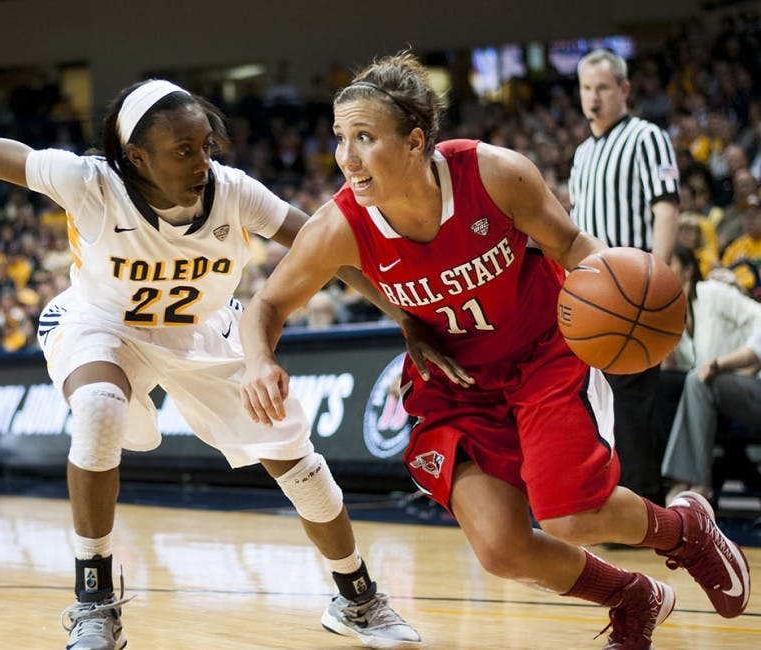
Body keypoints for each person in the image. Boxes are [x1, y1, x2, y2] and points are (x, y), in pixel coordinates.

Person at [0, 79, 420, 650]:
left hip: (203, 332)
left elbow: (330, 252)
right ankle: (94, 599)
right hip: (101, 323)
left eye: (205, 146)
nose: (203, 162)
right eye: (183, 152)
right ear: (136, 158)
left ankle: (357, 596)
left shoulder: (233, 191)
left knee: (299, 465)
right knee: (97, 408)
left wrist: (411, 319)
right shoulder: (87, 182)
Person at [237, 52, 751, 650]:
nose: (345, 158)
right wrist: (260, 360)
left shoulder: (495, 174)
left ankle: (687, 530)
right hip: (456, 382)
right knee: (502, 550)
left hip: (542, 355)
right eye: (339, 138)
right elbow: (265, 308)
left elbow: (575, 248)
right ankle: (631, 596)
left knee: (569, 515)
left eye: (363, 138)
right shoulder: (340, 227)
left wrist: (626, 313)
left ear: (415, 140)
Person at [568, 49, 681, 504]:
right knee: (597, 401)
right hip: (593, 291)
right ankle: (608, 499)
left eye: (602, 88)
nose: (593, 98)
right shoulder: (581, 154)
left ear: (625, 90)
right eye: (586, 88)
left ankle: (643, 501)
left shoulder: (646, 137)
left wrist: (657, 279)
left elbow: (666, 208)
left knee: (631, 401)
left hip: (634, 289)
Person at [661, 246, 761, 501]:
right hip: (720, 392)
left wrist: (730, 362)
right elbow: (682, 367)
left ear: (688, 271)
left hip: (752, 381)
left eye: (668, 264)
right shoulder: (673, 315)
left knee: (698, 381)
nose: (662, 270)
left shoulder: (712, 293)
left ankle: (694, 483)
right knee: (671, 383)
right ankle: (684, 482)